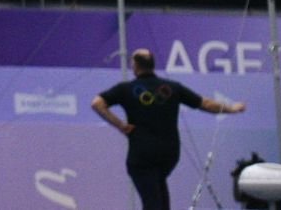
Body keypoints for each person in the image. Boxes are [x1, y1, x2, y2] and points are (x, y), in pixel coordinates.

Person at [92, 47, 246, 210]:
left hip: (142, 154)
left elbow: (97, 103)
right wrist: (232, 108)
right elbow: (206, 104)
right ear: (152, 65)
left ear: (135, 66)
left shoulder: (126, 89)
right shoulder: (173, 87)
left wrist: (120, 125)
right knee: (159, 197)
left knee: (152, 202)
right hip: (169, 154)